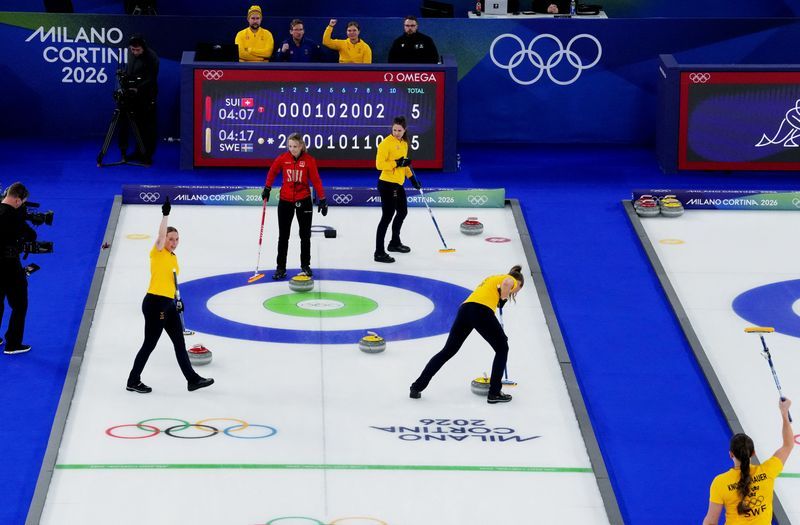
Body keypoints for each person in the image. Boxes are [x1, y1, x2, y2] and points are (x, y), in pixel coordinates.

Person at [126, 197, 214, 394]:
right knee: (150, 344)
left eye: (176, 239)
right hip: (155, 304)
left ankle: (192, 380)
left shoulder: (174, 258)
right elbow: (159, 235)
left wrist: (177, 301)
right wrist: (165, 215)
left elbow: (171, 283)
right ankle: (133, 380)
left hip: (168, 304)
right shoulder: (157, 252)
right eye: (170, 238)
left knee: (179, 343)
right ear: (164, 239)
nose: (173, 242)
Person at [410, 265, 525, 404]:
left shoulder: (494, 278)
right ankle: (494, 393)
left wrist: (500, 299)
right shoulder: (511, 279)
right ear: (519, 283)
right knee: (502, 348)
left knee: (448, 350)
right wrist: (504, 298)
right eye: (519, 289)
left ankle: (417, 387)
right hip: (481, 311)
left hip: (465, 309)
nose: (516, 292)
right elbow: (507, 283)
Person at [703, 398, 794, 524]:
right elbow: (788, 445)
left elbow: (711, 521)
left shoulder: (720, 482)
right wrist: (784, 413)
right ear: (753, 453)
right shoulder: (767, 471)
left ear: (731, 454)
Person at [262, 133, 327, 279]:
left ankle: (305, 266)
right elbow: (272, 172)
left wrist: (322, 198)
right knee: (283, 236)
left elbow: (316, 180)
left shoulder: (309, 160)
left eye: (295, 147)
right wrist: (267, 188)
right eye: (290, 146)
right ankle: (280, 268)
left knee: (305, 235)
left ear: (301, 146)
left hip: (303, 200)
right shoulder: (283, 159)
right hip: (285, 201)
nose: (293, 149)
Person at [374, 116, 420, 263]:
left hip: (398, 183)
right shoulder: (385, 144)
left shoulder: (404, 143)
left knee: (402, 211)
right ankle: (379, 252)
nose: (396, 133)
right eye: (394, 130)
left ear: (404, 130)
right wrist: (396, 163)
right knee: (387, 217)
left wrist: (412, 179)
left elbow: (404, 164)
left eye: (399, 130)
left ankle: (394, 243)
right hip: (387, 184)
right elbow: (379, 165)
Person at [0, 182, 37, 355]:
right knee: (19, 304)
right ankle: (13, 344)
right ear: (17, 200)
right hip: (8, 265)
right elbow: (31, 235)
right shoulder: (14, 217)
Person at [119, 34, 158, 164]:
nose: (135, 52)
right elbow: (129, 71)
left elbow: (151, 79)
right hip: (132, 95)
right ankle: (138, 152)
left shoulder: (152, 58)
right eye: (133, 50)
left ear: (143, 48)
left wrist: (138, 89)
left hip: (147, 96)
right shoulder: (130, 54)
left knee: (148, 126)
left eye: (138, 50)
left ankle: (147, 155)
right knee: (136, 125)